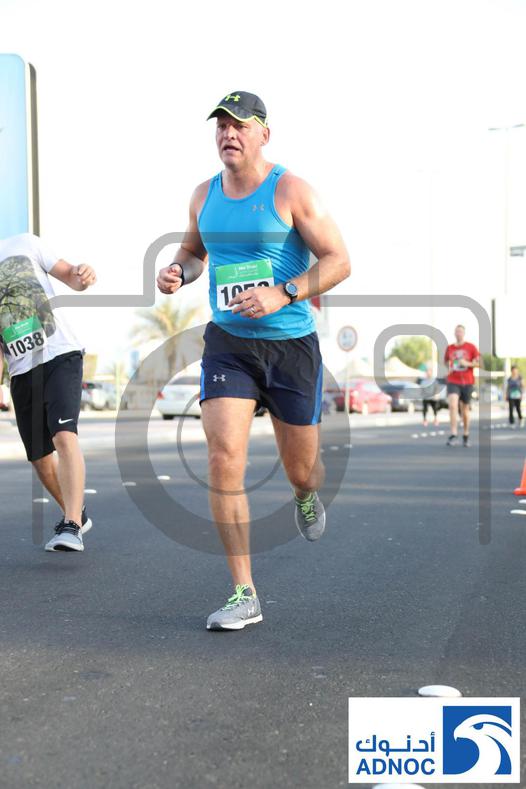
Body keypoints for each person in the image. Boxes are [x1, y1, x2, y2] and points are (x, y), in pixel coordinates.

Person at [157, 91, 350, 631]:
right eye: (221, 125)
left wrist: (283, 293)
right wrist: (177, 271)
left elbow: (339, 261)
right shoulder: (203, 195)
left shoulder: (291, 190)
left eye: (239, 125)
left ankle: (305, 496)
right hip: (230, 344)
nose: (228, 133)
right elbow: (193, 253)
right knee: (223, 458)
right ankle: (245, 592)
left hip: (290, 345)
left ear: (264, 133)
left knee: (302, 469)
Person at [0, 233, 97, 551]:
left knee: (63, 435)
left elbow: (70, 276)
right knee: (41, 459)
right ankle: (76, 512)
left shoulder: (24, 244)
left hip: (60, 354)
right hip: (21, 371)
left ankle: (71, 525)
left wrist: (82, 275)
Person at [444, 324, 480, 447]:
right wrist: (449, 367)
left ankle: (466, 434)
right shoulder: (450, 348)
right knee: (453, 405)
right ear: (454, 333)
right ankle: (453, 433)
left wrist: (467, 363)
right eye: (457, 331)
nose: (458, 333)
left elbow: (479, 363)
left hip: (467, 381)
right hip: (453, 380)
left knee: (465, 409)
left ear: (464, 333)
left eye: (460, 331)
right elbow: (446, 362)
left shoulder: (471, 347)